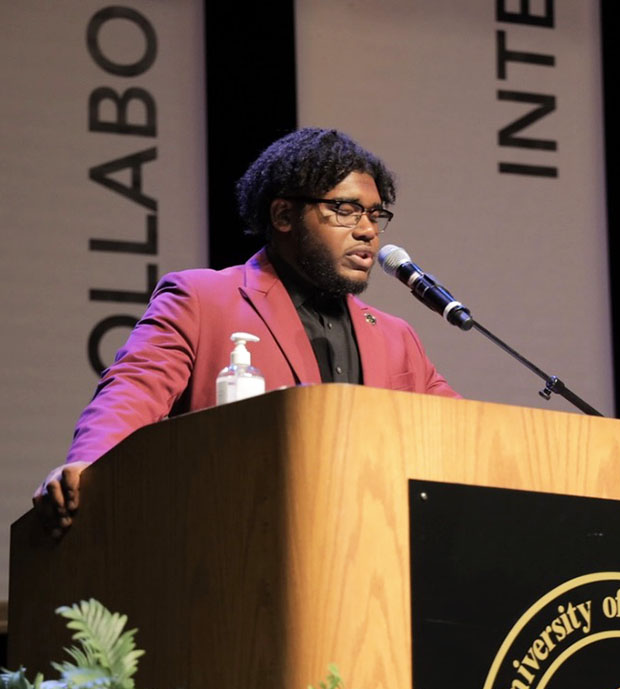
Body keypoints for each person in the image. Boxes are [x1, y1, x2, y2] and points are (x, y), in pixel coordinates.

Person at [34, 127, 458, 536]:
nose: (367, 230)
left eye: (374, 213)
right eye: (345, 210)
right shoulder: (201, 299)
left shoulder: (396, 336)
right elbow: (132, 391)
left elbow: (459, 431)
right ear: (283, 215)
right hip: (234, 549)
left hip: (375, 556)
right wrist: (88, 469)